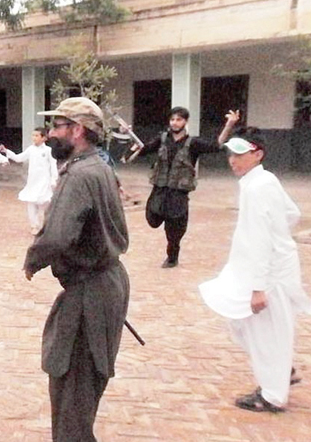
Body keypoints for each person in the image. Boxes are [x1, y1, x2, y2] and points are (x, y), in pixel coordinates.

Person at [24, 97, 129, 442]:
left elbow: (58, 234)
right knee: (78, 369)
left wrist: (33, 259)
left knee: (75, 373)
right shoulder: (97, 167)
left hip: (93, 288)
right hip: (103, 282)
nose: (51, 134)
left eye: (58, 126)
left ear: (78, 131)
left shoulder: (81, 175)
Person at [199, 129, 311, 413]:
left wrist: (260, 287)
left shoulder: (260, 186)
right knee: (239, 321)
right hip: (258, 269)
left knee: (265, 331)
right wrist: (280, 238)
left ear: (257, 154)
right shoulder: (261, 181)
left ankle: (273, 395)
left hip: (268, 275)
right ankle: (281, 371)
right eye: (231, 153)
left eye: (240, 153)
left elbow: (261, 237)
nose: (233, 160)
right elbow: (291, 213)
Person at [133, 106, 238, 268]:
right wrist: (127, 135)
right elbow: (142, 150)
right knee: (152, 219)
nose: (175, 123)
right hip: (160, 189)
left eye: (179, 119)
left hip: (178, 193)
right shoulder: (162, 139)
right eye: (172, 119)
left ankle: (172, 257)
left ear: (185, 122)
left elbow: (216, 146)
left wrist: (229, 125)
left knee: (174, 231)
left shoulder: (193, 143)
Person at [0, 126, 59, 235]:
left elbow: (53, 166)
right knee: (31, 204)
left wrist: (54, 179)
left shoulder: (48, 151)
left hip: (45, 182)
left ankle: (45, 226)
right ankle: (34, 226)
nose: (34, 138)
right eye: (33, 135)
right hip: (32, 182)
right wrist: (6, 151)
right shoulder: (31, 149)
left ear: (44, 138)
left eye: (37, 136)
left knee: (44, 204)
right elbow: (19, 158)